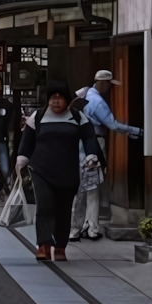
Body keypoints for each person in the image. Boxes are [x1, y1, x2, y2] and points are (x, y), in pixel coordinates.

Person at [17, 80, 101, 261]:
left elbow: (89, 138)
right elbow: (27, 141)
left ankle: (60, 246)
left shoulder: (78, 117)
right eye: (52, 98)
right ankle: (44, 245)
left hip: (68, 171)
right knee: (45, 206)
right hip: (41, 170)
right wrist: (21, 157)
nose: (56, 101)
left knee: (63, 209)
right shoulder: (38, 117)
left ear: (67, 99)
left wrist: (92, 155)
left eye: (60, 97)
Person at [71, 69, 140, 240]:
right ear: (104, 83)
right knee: (92, 187)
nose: (110, 88)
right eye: (109, 84)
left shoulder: (84, 94)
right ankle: (91, 228)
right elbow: (113, 125)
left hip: (79, 143)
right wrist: (137, 131)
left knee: (80, 187)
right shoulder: (97, 101)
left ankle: (78, 227)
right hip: (94, 143)